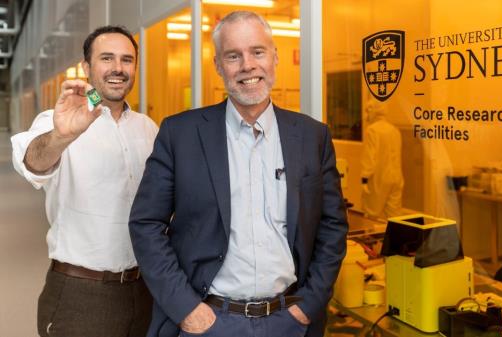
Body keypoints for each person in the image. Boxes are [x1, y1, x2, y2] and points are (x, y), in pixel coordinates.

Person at [129, 11, 348, 337]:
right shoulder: (181, 134)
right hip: (211, 321)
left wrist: (309, 305)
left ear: (275, 57)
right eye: (234, 56)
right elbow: (145, 224)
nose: (248, 65)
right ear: (218, 65)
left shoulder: (312, 136)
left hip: (289, 319)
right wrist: (187, 309)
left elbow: (332, 227)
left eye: (258, 52)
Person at [11, 26, 157, 337]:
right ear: (87, 67)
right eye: (107, 58)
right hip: (81, 293)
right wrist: (61, 136)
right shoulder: (57, 121)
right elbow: (33, 163)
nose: (118, 68)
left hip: (143, 289)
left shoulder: (148, 129)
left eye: (127, 60)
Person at [360, 100, 403, 219]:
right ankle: (397, 237)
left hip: (378, 179)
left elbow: (370, 158)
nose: (366, 115)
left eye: (367, 111)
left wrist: (364, 178)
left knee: (371, 214)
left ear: (373, 111)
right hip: (395, 178)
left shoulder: (372, 130)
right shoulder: (394, 130)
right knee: (395, 216)